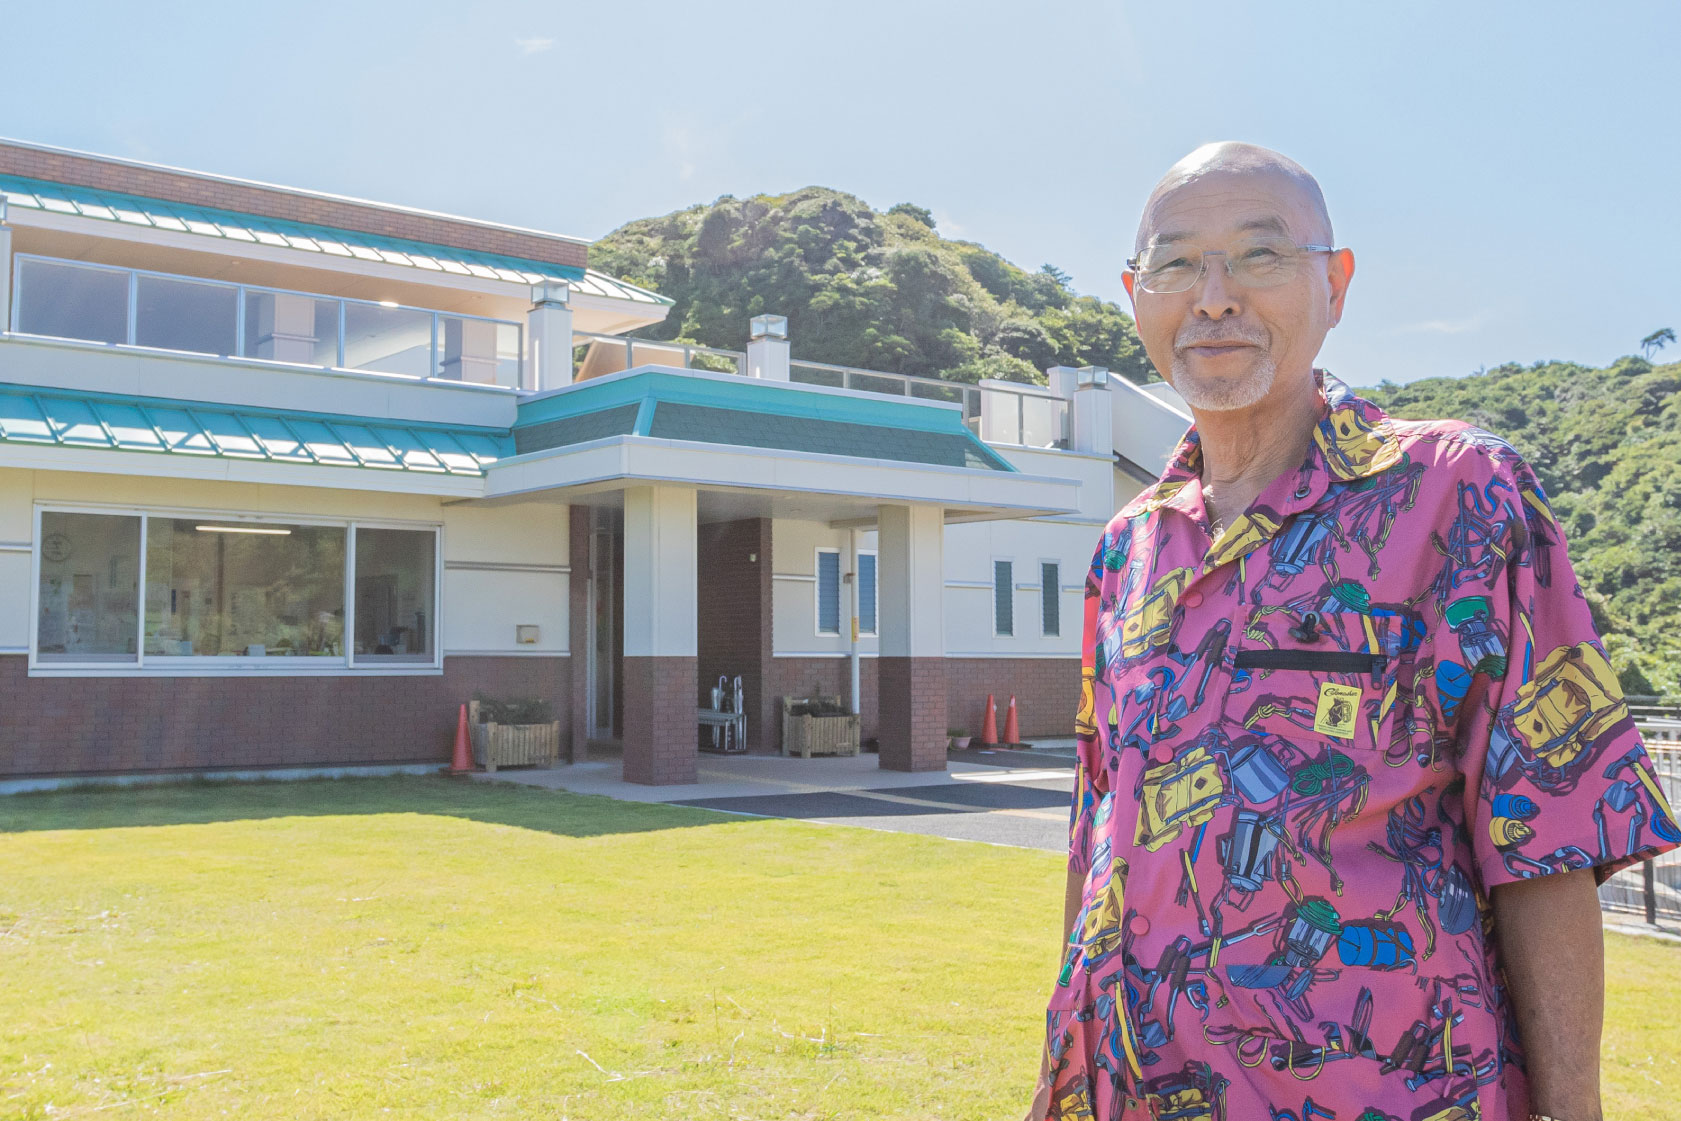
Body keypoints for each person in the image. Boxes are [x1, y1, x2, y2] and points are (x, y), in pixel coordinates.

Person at [1028, 142, 1679, 1121]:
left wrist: (1572, 1107)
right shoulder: (1127, 546)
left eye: (1259, 255)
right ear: (1133, 293)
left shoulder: (1458, 494)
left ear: (1334, 284)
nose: (1211, 296)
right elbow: (1100, 837)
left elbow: (1547, 831)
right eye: (1174, 263)